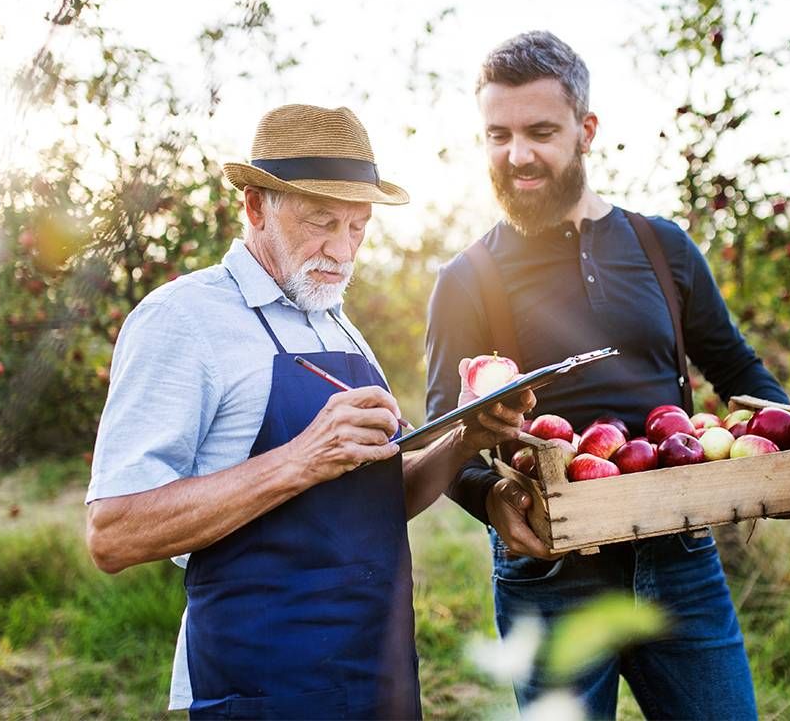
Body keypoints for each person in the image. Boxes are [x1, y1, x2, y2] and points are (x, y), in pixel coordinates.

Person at [85, 104, 533, 720]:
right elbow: (113, 531)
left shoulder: (338, 325)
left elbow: (378, 498)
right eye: (321, 221)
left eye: (357, 226)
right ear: (254, 206)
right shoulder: (181, 321)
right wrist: (300, 459)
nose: (341, 250)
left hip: (378, 679)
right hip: (263, 688)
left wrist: (461, 437)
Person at [425, 31, 790, 719]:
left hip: (680, 557)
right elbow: (444, 426)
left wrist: (781, 445)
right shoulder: (467, 280)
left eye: (539, 131)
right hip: (551, 568)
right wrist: (491, 500)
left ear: (585, 130)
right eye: (496, 135)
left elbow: (735, 366)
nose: (517, 155)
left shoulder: (663, 247)